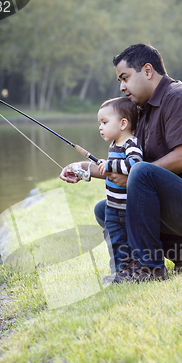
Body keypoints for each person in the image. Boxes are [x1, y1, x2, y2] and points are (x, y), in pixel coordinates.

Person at [60, 44, 182, 283]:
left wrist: (135, 176)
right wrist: (82, 169)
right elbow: (124, 167)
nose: (122, 87)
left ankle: (150, 269)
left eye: (125, 78)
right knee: (106, 209)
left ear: (148, 70)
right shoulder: (142, 111)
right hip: (178, 207)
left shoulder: (179, 97)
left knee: (140, 172)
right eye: (119, 81)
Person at [71, 97, 143, 273]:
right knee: (114, 239)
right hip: (112, 205)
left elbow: (136, 164)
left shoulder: (131, 144)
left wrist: (110, 165)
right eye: (99, 123)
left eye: (104, 122)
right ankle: (119, 272)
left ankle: (133, 269)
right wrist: (105, 163)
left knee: (130, 240)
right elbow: (115, 165)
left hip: (128, 208)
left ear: (123, 123)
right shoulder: (114, 145)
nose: (100, 127)